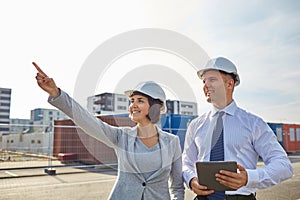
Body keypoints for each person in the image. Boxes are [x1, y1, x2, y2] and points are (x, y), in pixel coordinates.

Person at [33, 62, 184, 200]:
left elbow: (177, 186)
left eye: (140, 101)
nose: (133, 105)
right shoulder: (121, 136)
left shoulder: (172, 142)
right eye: (132, 101)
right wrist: (56, 93)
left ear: (155, 107)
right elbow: (88, 120)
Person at [182, 57, 293, 200]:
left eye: (212, 80)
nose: (206, 85)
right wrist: (191, 180)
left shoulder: (254, 123)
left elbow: (284, 166)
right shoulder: (196, 125)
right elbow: (186, 162)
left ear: (229, 84)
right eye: (204, 81)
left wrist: (249, 177)